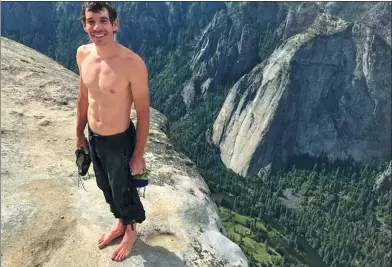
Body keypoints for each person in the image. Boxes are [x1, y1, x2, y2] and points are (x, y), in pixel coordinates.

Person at [75, 1, 150, 261]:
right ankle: (120, 222)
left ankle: (130, 231)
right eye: (91, 21)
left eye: (103, 21)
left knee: (123, 189)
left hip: (119, 141)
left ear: (114, 24)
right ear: (84, 25)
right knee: (105, 186)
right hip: (94, 138)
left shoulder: (132, 63)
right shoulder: (83, 54)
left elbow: (143, 111)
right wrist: (79, 133)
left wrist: (138, 154)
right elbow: (84, 96)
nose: (97, 27)